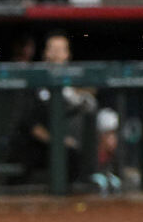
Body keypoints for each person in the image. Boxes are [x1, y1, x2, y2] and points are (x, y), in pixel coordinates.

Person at [7, 31, 97, 186]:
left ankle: (78, 194)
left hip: (60, 144)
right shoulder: (34, 80)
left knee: (76, 154)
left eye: (60, 50)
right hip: (33, 144)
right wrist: (58, 141)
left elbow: (89, 94)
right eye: (52, 49)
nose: (55, 55)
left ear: (67, 55)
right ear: (45, 53)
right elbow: (30, 124)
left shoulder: (71, 85)